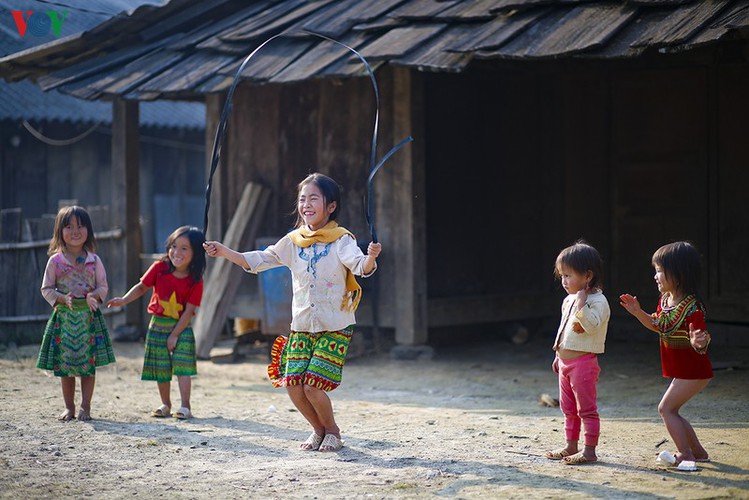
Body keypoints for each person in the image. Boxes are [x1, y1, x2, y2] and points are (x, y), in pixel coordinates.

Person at [204, 172, 381, 452]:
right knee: (293, 384)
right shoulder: (293, 241)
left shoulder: (341, 240)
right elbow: (262, 259)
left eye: (313, 198)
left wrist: (370, 256)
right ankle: (318, 430)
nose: (306, 204)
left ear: (331, 206)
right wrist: (225, 251)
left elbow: (361, 267)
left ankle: (333, 431)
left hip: (334, 324)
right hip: (301, 325)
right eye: (302, 199)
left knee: (312, 385)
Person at [619, 241, 712, 469]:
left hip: (694, 371)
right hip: (683, 370)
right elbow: (658, 325)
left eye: (660, 271)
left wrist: (697, 342)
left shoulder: (692, 308)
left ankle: (686, 454)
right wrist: (637, 312)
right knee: (673, 410)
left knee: (666, 409)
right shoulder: (665, 301)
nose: (656, 276)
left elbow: (702, 339)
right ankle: (698, 452)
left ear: (678, 274)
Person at [107, 226, 205, 420]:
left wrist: (175, 335)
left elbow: (189, 311)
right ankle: (166, 404)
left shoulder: (196, 280)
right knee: (161, 367)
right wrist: (124, 300)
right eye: (174, 246)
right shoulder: (159, 267)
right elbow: (142, 286)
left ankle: (185, 406)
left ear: (196, 253)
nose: (177, 252)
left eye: (185, 248)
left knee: (183, 367)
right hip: (158, 325)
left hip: (181, 327)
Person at [37, 206, 116, 421]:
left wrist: (95, 296)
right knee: (65, 367)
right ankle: (69, 407)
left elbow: (103, 286)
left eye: (80, 226)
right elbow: (46, 289)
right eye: (69, 226)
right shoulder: (55, 261)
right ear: (59, 231)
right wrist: (61, 298)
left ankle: (85, 407)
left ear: (88, 230)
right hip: (64, 318)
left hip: (88, 319)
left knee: (87, 366)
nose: (75, 231)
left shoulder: (94, 260)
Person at [545, 241, 610, 465]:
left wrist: (582, 305)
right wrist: (557, 354)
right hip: (565, 364)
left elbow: (591, 326)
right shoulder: (568, 300)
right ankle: (570, 445)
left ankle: (589, 450)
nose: (564, 281)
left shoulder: (598, 302)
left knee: (587, 409)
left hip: (584, 364)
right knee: (568, 408)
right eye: (561, 276)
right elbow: (563, 328)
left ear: (588, 275)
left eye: (568, 275)